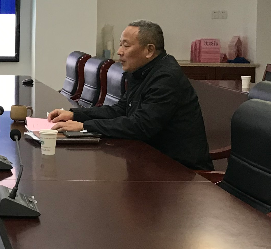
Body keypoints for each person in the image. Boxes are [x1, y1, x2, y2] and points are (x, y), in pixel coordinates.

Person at [47, 20, 213, 171]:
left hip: (181, 173)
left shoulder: (166, 78)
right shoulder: (140, 71)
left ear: (149, 50)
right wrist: (75, 115)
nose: (119, 52)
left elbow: (140, 126)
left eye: (126, 46)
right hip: (150, 162)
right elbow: (121, 109)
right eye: (120, 45)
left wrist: (85, 127)